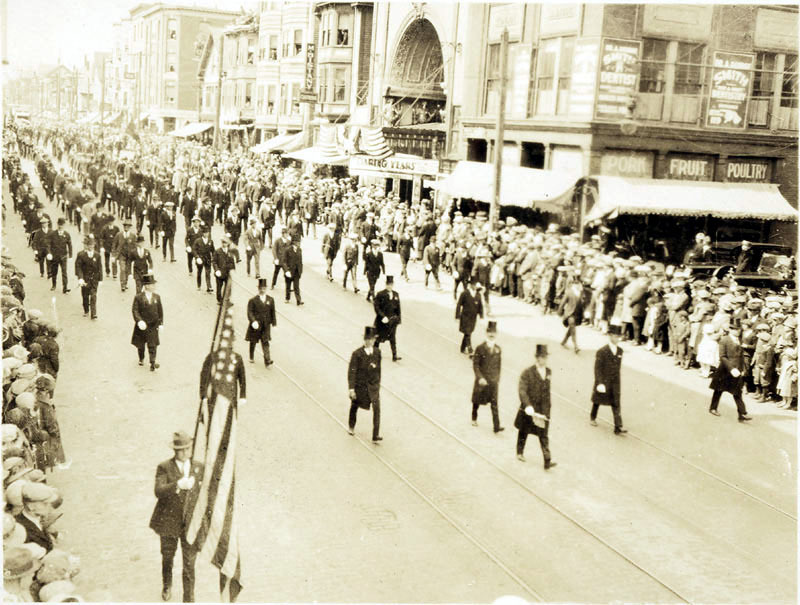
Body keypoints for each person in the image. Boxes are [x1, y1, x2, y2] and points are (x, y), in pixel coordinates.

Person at [149, 431, 203, 602]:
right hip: (168, 522)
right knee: (167, 557)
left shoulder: (198, 467)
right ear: (175, 451)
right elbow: (158, 491)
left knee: (189, 563)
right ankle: (167, 584)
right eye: (181, 449)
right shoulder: (164, 467)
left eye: (188, 448)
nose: (186, 452)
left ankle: (189, 598)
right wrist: (177, 485)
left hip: (189, 523)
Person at [514, 344, 556, 468]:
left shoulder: (548, 372)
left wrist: (547, 410)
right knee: (524, 430)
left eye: (545, 357)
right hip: (530, 408)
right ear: (537, 358)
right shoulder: (528, 372)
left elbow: (547, 392)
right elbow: (522, 390)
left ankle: (547, 460)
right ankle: (520, 452)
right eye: (542, 357)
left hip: (542, 409)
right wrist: (527, 405)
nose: (544, 360)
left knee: (543, 434)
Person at [709, 325, 752, 422]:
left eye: (739, 329)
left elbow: (741, 356)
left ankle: (742, 414)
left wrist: (742, 369)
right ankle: (713, 408)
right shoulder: (724, 340)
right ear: (731, 330)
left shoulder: (739, 340)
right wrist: (731, 368)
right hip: (725, 370)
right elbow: (722, 356)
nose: (738, 331)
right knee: (718, 390)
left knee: (737, 392)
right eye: (736, 329)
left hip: (737, 369)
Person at [590, 324, 627, 434]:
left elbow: (618, 367)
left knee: (616, 402)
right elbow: (597, 368)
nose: (617, 339)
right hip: (604, 380)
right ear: (610, 336)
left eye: (618, 337)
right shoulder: (602, 351)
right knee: (598, 400)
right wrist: (600, 382)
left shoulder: (620, 351)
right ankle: (593, 417)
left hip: (615, 382)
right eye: (615, 336)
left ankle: (618, 426)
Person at [347, 326, 382, 442]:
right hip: (360, 387)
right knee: (355, 405)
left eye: (373, 339)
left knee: (377, 409)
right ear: (365, 340)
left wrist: (377, 383)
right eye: (370, 339)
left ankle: (375, 435)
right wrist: (351, 389)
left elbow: (378, 369)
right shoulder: (357, 354)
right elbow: (352, 372)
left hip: (373, 387)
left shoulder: (377, 352)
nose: (372, 341)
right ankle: (351, 426)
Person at [471, 321, 504, 433]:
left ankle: (496, 426)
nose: (491, 334)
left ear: (496, 333)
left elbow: (499, 365)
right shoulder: (480, 348)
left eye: (494, 332)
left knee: (494, 404)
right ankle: (474, 417)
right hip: (482, 380)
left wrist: (497, 378)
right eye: (490, 332)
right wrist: (480, 377)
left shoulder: (498, 349)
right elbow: (475, 365)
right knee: (477, 400)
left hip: (493, 381)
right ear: (486, 332)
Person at [131, 275, 164, 371]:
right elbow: (135, 310)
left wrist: (161, 324)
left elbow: (160, 311)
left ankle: (152, 362)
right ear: (147, 286)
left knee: (153, 344)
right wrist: (139, 321)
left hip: (153, 325)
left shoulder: (157, 297)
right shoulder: (138, 297)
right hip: (142, 325)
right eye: (152, 284)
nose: (154, 286)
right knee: (141, 344)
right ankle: (141, 358)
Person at [245, 278, 277, 366]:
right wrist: (253, 321)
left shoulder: (270, 300)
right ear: (258, 289)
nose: (262, 290)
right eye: (261, 288)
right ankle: (251, 356)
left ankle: (267, 360)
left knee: (265, 342)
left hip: (266, 325)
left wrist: (274, 323)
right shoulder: (253, 300)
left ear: (266, 289)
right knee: (253, 341)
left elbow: (272, 311)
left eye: (264, 288)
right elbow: (249, 312)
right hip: (256, 325)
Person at [74, 234, 103, 320]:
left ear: (94, 245)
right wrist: (80, 278)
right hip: (85, 279)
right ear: (86, 245)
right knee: (85, 295)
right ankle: (86, 310)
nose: (91, 247)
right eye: (89, 245)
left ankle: (93, 313)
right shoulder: (81, 255)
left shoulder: (97, 255)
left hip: (94, 280)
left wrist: (100, 279)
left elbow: (100, 267)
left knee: (93, 296)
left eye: (92, 245)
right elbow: (78, 267)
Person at [373, 275, 402, 362]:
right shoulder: (380, 294)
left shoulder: (396, 294)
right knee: (378, 338)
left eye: (391, 284)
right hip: (382, 321)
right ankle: (375, 355)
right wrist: (382, 316)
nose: (389, 286)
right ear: (386, 285)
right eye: (388, 284)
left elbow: (398, 308)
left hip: (392, 321)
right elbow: (376, 307)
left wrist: (398, 319)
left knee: (392, 338)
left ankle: (394, 355)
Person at [455, 277, 484, 356]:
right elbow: (459, 304)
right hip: (465, 316)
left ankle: (462, 348)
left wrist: (481, 316)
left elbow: (480, 306)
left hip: (473, 318)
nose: (475, 287)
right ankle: (470, 349)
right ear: (470, 285)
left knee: (468, 333)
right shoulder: (465, 293)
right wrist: (457, 316)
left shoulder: (478, 295)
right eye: (474, 285)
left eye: (476, 285)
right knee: (468, 332)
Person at [46, 218, 72, 293]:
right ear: (57, 225)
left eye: (62, 225)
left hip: (63, 256)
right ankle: (54, 285)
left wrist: (70, 256)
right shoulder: (53, 234)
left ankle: (65, 287)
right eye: (59, 225)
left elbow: (70, 245)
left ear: (64, 225)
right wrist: (49, 253)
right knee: (54, 272)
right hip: (55, 257)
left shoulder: (66, 234)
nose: (61, 226)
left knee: (64, 272)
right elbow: (48, 244)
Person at [558, 274, 583, 353]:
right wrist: (559, 311)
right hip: (569, 313)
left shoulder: (580, 292)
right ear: (572, 284)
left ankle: (564, 341)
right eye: (575, 283)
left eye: (578, 283)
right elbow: (562, 302)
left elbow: (582, 302)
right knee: (572, 327)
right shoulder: (569, 292)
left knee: (571, 328)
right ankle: (576, 346)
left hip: (577, 314)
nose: (577, 285)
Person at [112, 218, 136, 292]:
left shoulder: (133, 236)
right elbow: (114, 244)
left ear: (130, 227)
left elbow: (135, 246)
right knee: (122, 269)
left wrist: (134, 256)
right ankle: (122, 284)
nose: (126, 227)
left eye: (128, 226)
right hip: (121, 255)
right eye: (125, 226)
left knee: (127, 270)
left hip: (129, 256)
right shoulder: (119, 235)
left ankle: (125, 283)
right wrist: (113, 255)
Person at [211, 236, 237, 305]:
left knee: (228, 287)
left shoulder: (230, 252)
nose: (224, 244)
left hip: (227, 273)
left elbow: (232, 261)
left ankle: (227, 300)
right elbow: (214, 262)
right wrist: (216, 270)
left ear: (228, 244)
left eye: (225, 243)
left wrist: (233, 270)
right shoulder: (217, 251)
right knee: (219, 287)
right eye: (222, 242)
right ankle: (219, 299)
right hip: (219, 273)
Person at [192, 228, 214, 293]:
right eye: (205, 233)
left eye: (207, 233)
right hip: (200, 259)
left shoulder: (210, 241)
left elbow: (213, 250)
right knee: (199, 272)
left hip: (208, 259)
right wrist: (197, 257)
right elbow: (194, 249)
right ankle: (199, 285)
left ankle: (209, 287)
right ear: (202, 233)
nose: (206, 234)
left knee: (208, 273)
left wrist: (213, 258)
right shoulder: (198, 241)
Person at [283, 235, 304, 305]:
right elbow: (284, 262)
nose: (299, 243)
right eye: (298, 242)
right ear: (294, 242)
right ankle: (287, 298)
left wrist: (301, 270)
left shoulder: (299, 250)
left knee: (296, 286)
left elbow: (300, 261)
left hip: (297, 271)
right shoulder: (287, 250)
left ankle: (298, 300)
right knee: (288, 286)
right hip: (289, 271)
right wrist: (286, 271)